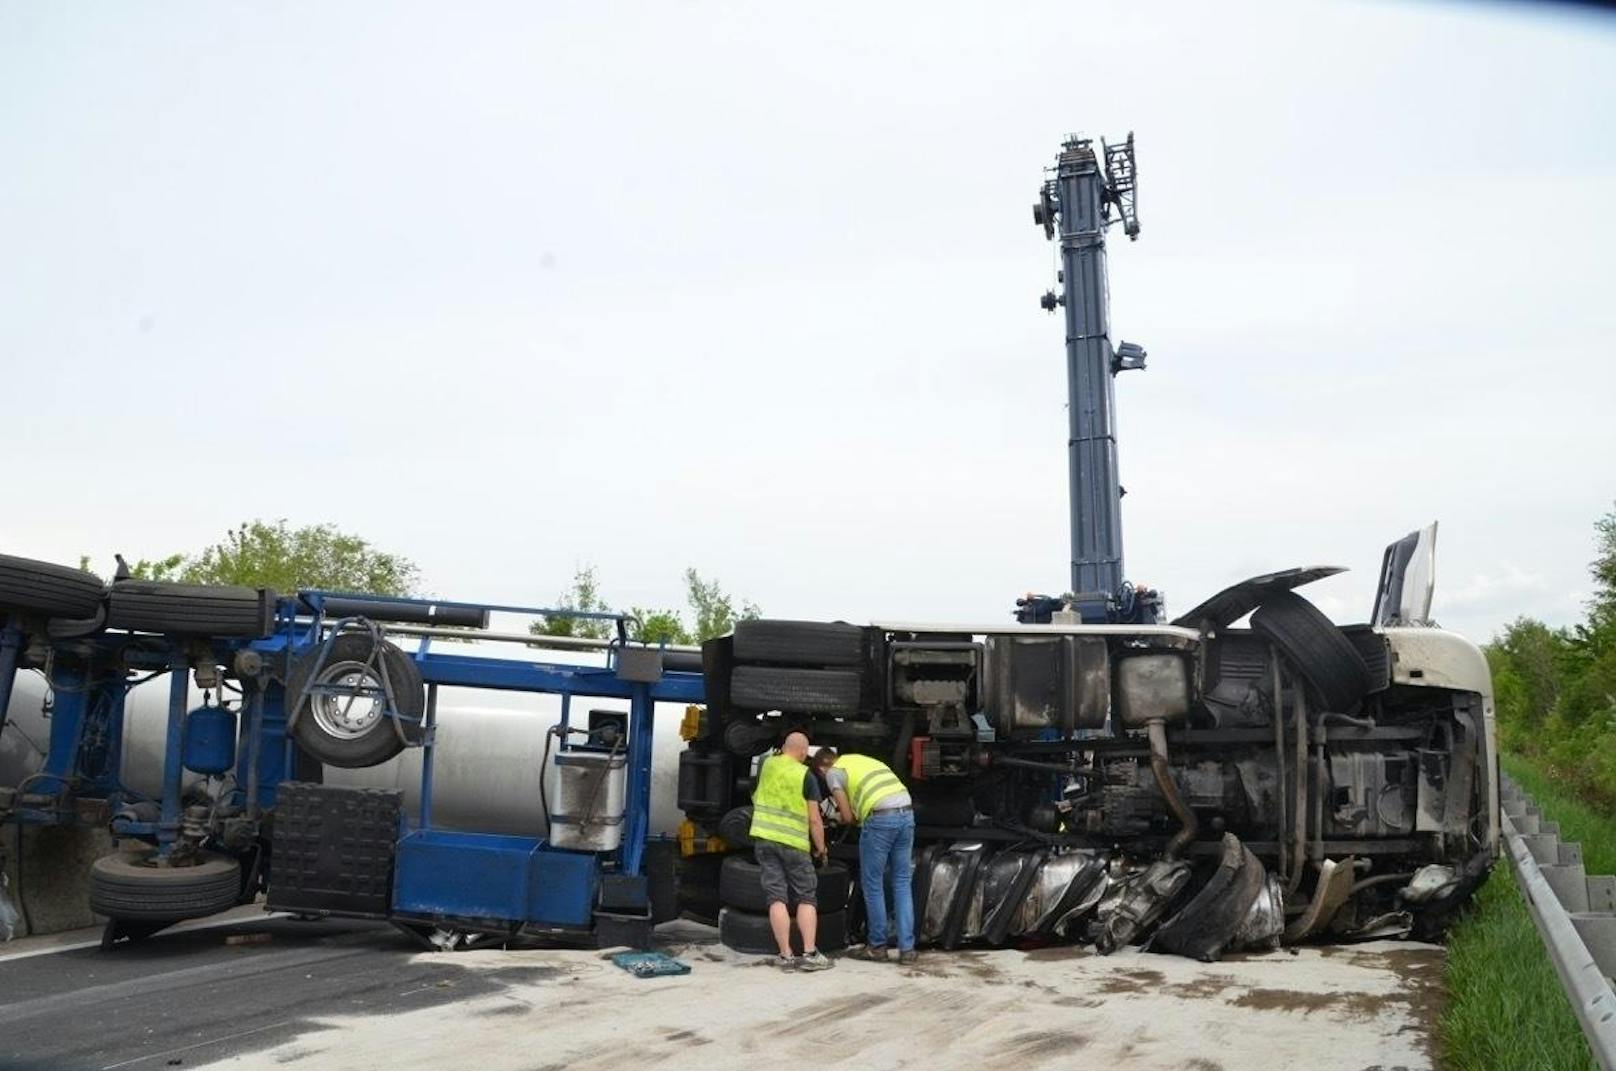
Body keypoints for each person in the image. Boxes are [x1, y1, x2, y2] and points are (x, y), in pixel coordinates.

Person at [812, 748, 916, 964]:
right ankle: (907, 949)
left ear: (822, 767)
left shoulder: (834, 772)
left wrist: (834, 818)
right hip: (906, 814)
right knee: (902, 882)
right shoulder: (861, 759)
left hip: (880, 820)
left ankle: (877, 946)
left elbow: (848, 816)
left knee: (872, 883)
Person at [748, 731, 834, 971]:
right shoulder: (805, 775)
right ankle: (809, 954)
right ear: (804, 752)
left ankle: (785, 956)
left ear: (784, 747)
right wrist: (821, 848)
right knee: (806, 897)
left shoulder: (767, 765)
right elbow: (815, 819)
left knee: (776, 897)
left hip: (764, 839)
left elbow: (754, 793)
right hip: (794, 844)